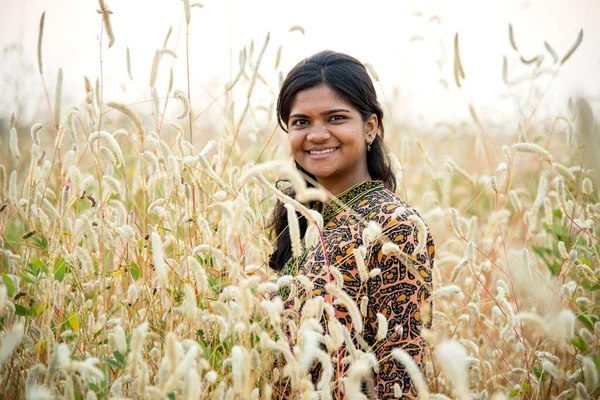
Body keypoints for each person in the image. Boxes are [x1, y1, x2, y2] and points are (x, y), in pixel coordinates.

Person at [268, 50, 434, 399]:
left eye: (335, 118)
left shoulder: (395, 226)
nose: (316, 134)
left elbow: (400, 376)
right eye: (301, 122)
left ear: (370, 127)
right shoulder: (300, 222)